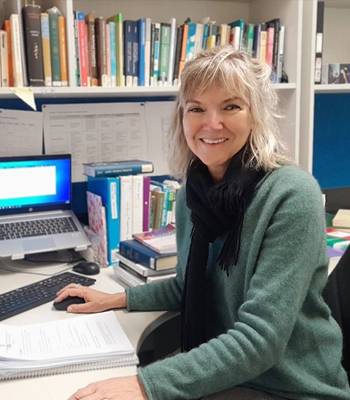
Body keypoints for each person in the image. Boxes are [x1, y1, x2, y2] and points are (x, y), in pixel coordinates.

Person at [56, 47, 350, 400]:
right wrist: (116, 298)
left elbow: (261, 341)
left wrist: (146, 384)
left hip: (292, 385)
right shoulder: (192, 195)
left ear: (255, 115)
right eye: (196, 108)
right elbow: (188, 287)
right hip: (237, 373)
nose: (212, 124)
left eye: (231, 106)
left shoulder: (290, 195)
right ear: (182, 118)